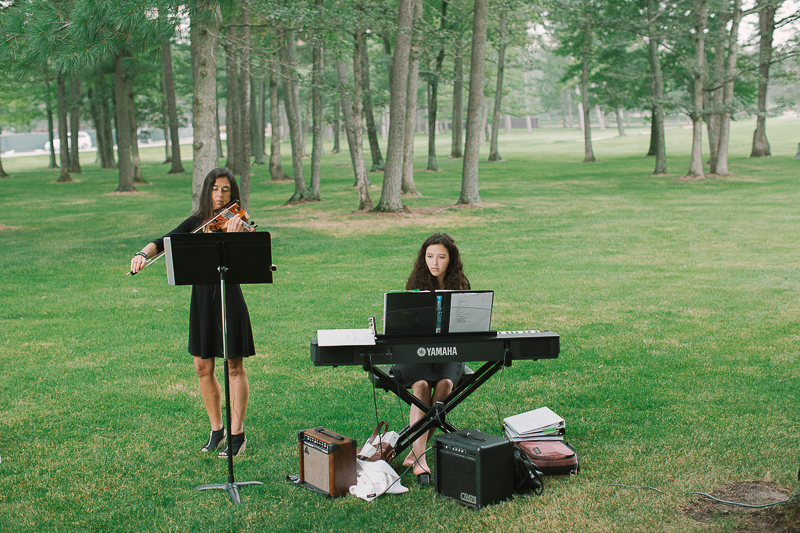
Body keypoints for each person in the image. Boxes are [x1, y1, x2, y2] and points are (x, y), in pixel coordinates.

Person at [129, 167, 254, 458]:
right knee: (202, 366)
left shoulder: (238, 220)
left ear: (232, 193)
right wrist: (141, 254)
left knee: (234, 366)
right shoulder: (197, 221)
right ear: (206, 191)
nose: (219, 195)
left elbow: (249, 260)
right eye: (214, 188)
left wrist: (237, 237)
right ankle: (217, 430)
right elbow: (163, 241)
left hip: (228, 297)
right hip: (201, 299)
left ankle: (237, 432)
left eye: (225, 189)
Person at [391, 233, 470, 485]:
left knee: (446, 384)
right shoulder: (416, 281)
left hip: (449, 350)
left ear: (451, 259)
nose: (434, 262)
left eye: (441, 257)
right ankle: (420, 455)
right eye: (429, 256)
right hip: (417, 351)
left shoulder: (461, 285)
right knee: (422, 385)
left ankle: (416, 451)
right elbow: (403, 322)